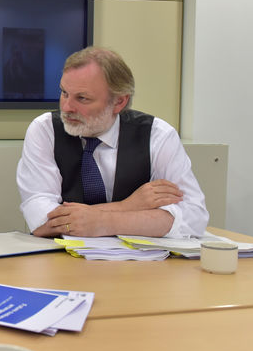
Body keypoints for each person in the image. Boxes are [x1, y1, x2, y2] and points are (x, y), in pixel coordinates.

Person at [16, 46, 208, 238]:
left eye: (82, 98)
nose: (66, 107)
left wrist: (105, 222)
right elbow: (42, 220)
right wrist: (130, 206)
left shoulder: (157, 135)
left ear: (119, 102)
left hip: (138, 264)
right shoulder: (45, 130)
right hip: (60, 261)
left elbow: (194, 217)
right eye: (64, 93)